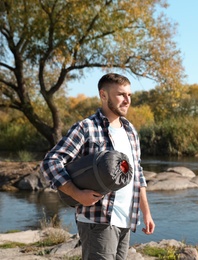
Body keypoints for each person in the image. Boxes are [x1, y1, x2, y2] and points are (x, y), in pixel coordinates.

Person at [40, 73, 155, 260]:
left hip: (126, 219)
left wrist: (146, 212)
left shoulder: (130, 131)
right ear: (103, 95)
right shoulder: (86, 128)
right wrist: (76, 194)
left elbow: (137, 173)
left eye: (129, 95)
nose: (127, 100)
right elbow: (51, 162)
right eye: (121, 95)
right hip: (97, 220)